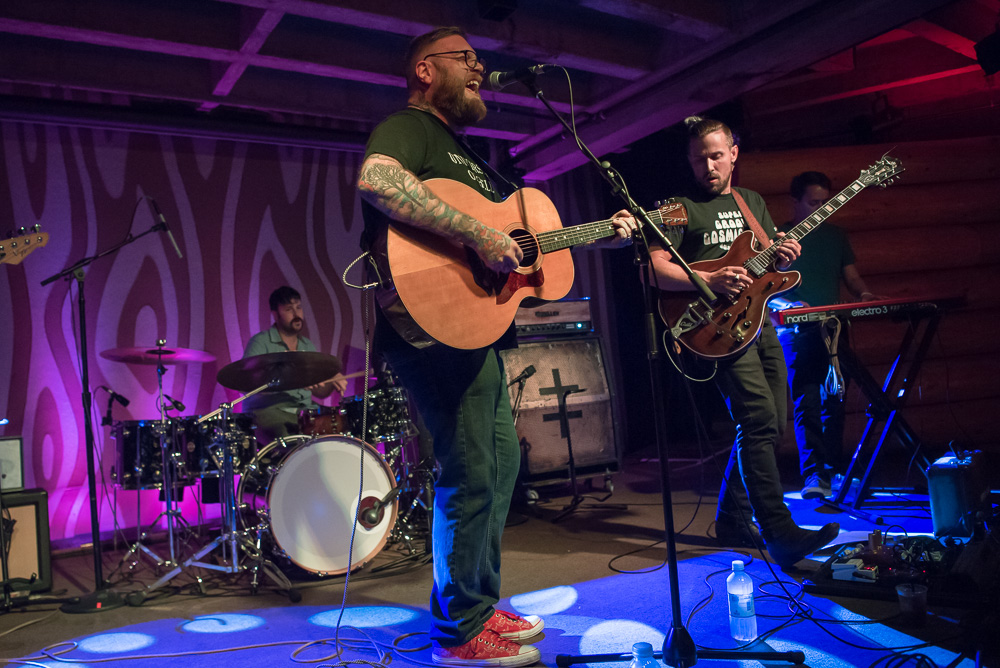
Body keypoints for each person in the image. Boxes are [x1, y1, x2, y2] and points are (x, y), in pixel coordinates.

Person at [357, 26, 635, 667]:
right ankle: (460, 629)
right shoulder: (412, 127)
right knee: (471, 472)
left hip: (470, 333)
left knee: (503, 467)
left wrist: (605, 233)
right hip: (426, 331)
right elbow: (377, 178)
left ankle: (478, 600)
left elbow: (522, 244)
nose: (481, 68)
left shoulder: (469, 155)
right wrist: (480, 236)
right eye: (467, 59)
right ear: (426, 70)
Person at [647, 116, 839, 569]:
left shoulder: (750, 201)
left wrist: (784, 251)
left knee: (769, 424)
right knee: (756, 417)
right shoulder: (680, 207)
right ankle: (779, 531)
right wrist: (707, 277)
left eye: (716, 155)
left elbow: (767, 261)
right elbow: (650, 266)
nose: (708, 166)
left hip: (761, 322)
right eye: (699, 159)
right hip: (716, 329)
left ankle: (733, 518)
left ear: (734, 153)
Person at [774, 171, 880, 499]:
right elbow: (766, 287)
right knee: (807, 400)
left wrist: (864, 294)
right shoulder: (780, 239)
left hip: (833, 328)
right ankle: (813, 476)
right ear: (795, 202)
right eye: (814, 202)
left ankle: (833, 471)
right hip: (796, 330)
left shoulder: (836, 235)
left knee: (834, 400)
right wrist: (789, 303)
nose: (822, 207)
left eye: (826, 201)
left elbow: (851, 276)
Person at [241, 286, 347, 444]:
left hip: (303, 410)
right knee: (290, 438)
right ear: (275, 314)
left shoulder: (307, 346)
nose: (297, 314)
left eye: (299, 307)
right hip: (268, 410)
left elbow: (320, 392)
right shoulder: (261, 342)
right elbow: (247, 384)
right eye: (289, 309)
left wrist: (331, 380)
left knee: (344, 425)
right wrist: (291, 377)